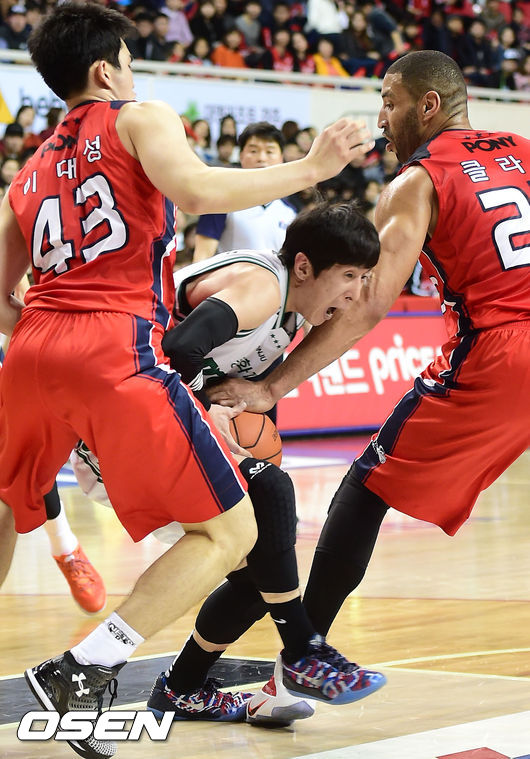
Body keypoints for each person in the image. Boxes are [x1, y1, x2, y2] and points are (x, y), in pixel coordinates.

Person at [0, 4, 374, 758]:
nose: (134, 75)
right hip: (113, 343)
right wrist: (311, 168)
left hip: (31, 346)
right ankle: (88, 666)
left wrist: (46, 333)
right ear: (106, 70)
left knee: (8, 510)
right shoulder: (138, 117)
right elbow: (196, 190)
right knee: (232, 531)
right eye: (130, 62)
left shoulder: (29, 169)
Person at [208, 50, 530, 641]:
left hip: (501, 349)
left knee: (367, 486)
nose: (381, 119)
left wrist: (271, 387)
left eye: (389, 103)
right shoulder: (523, 149)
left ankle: (303, 660)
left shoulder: (418, 180)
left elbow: (368, 305)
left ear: (428, 106)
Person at [72, 201, 386, 725]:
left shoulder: (292, 312)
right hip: (117, 428)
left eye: (364, 278)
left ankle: (182, 688)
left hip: (152, 424)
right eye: (349, 276)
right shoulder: (263, 285)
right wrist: (208, 411)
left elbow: (236, 391)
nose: (355, 292)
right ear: (304, 267)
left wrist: (237, 418)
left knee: (261, 568)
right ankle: (303, 649)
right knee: (273, 492)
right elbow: (180, 346)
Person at [194, 122, 297, 262]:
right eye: (253, 151)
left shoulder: (289, 211)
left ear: (281, 158)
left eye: (269, 152)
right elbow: (202, 256)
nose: (261, 158)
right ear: (241, 156)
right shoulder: (222, 201)